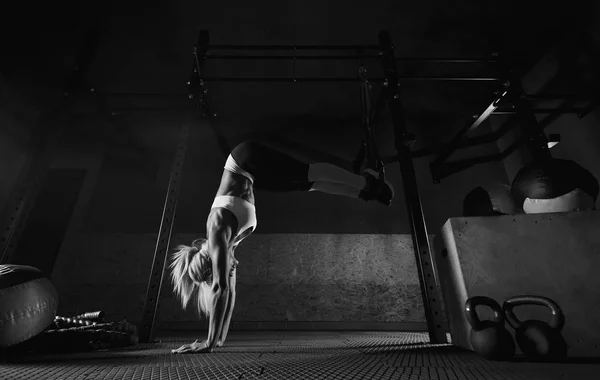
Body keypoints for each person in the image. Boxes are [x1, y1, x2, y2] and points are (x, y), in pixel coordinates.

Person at [169, 140, 394, 353]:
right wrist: (218, 339)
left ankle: (368, 182)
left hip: (243, 159)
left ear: (211, 260)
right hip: (253, 174)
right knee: (308, 184)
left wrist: (207, 343)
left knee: (307, 173)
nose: (225, 274)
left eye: (215, 274)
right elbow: (230, 291)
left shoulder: (217, 228)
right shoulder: (229, 245)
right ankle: (364, 193)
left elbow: (221, 288)